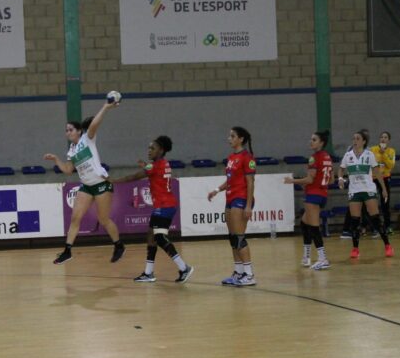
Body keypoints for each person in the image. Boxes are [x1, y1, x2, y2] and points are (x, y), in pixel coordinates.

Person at [44, 97, 125, 265]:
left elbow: (94, 124)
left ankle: (118, 245)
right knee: (75, 218)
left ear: (79, 131)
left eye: (70, 129)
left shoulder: (87, 139)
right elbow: (67, 170)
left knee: (104, 220)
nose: (67, 132)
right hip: (87, 186)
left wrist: (105, 107)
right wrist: (56, 159)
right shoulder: (72, 150)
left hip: (101, 184)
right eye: (66, 130)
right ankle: (67, 251)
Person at [110, 136, 194, 283]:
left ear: (161, 150)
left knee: (160, 238)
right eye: (148, 148)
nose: (149, 151)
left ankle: (184, 267)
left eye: (152, 148)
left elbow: (134, 176)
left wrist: (113, 181)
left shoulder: (154, 166)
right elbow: (151, 170)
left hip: (164, 206)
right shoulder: (162, 163)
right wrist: (146, 166)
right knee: (151, 236)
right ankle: (149, 273)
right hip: (163, 205)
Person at [207, 127, 257, 287]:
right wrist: (216, 190)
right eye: (229, 136)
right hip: (230, 198)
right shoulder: (231, 157)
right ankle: (238, 272)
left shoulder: (247, 157)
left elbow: (250, 183)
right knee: (233, 238)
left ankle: (249, 275)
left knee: (239, 237)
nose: (229, 138)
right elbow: (230, 179)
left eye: (232, 136)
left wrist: (248, 206)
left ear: (240, 139)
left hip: (241, 199)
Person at [338, 129, 394, 259]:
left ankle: (387, 245)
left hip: (368, 189)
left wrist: (384, 188)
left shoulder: (369, 155)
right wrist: (340, 179)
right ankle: (355, 249)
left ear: (363, 141)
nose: (355, 141)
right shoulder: (348, 155)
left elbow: (378, 173)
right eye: (353, 139)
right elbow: (340, 169)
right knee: (355, 221)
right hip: (354, 191)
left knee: (375, 218)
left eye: (357, 139)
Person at [284, 130, 333, 270]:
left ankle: (323, 258)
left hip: (313, 195)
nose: (310, 142)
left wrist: (292, 181)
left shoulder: (314, 157)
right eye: (311, 139)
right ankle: (306, 256)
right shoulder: (327, 157)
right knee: (304, 223)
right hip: (322, 194)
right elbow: (331, 179)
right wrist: (315, 183)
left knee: (314, 227)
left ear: (321, 143)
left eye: (314, 140)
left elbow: (310, 179)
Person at [369, 131, 395, 233]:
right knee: (371, 203)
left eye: (385, 137)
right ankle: (374, 227)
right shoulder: (372, 150)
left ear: (388, 140)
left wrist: (384, 154)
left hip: (385, 178)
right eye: (381, 137)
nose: (383, 139)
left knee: (385, 203)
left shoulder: (391, 151)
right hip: (374, 178)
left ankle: (387, 226)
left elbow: (391, 165)